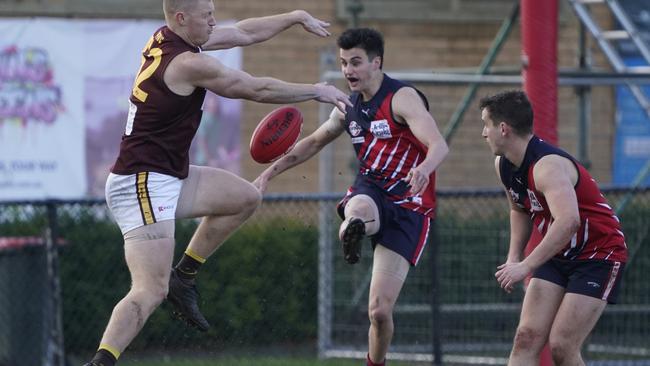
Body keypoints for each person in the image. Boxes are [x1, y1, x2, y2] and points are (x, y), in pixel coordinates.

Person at [83, 1, 352, 365]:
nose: (213, 20)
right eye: (206, 15)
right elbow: (254, 89)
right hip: (141, 182)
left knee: (244, 197)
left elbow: (243, 31)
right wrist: (316, 90)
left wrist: (294, 17)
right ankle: (101, 361)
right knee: (149, 290)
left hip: (166, 174)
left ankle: (186, 275)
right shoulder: (187, 63)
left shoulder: (170, 39)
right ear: (181, 18)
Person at [254, 28, 448, 366]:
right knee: (359, 208)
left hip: (409, 204)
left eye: (355, 63)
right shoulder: (347, 106)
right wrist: (269, 173)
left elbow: (439, 145)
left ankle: (375, 361)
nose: (348, 71)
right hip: (371, 190)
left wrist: (424, 169)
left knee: (379, 312)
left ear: (377, 62)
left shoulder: (401, 99)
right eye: (344, 63)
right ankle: (353, 229)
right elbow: (312, 142)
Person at [479, 90, 628, 366]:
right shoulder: (504, 164)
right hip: (560, 254)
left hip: (598, 254)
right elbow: (518, 209)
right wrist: (514, 256)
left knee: (562, 345)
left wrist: (526, 266)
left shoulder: (547, 167)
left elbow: (569, 221)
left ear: (503, 129)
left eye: (486, 125)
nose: (483, 133)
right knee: (526, 336)